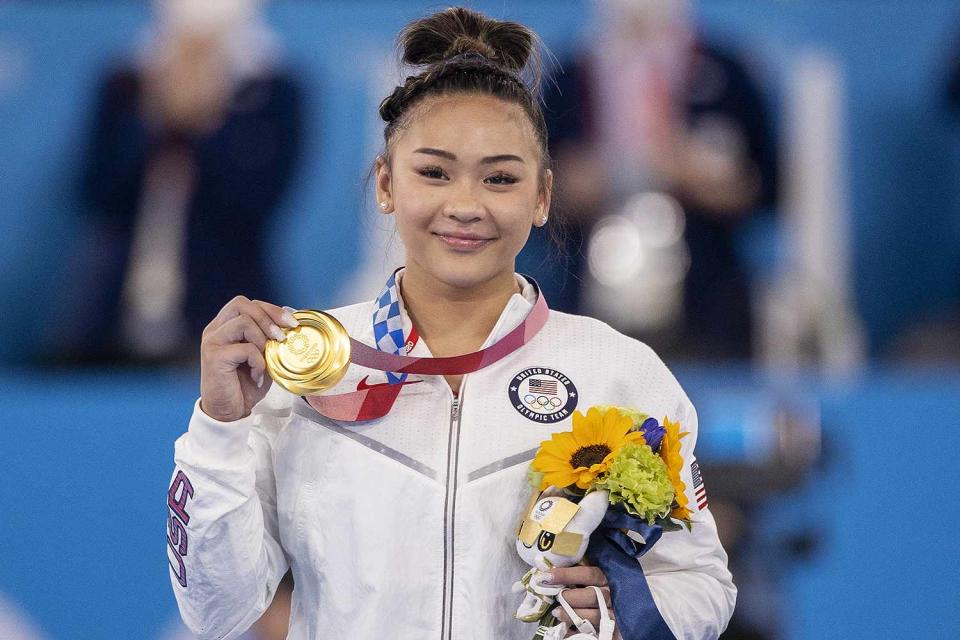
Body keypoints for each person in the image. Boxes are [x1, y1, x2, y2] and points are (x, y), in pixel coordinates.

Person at [167, 7, 734, 639]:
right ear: (386, 184)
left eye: (499, 178)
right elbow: (215, 612)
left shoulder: (618, 373)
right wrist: (218, 429)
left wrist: (621, 614)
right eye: (433, 172)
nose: (465, 205)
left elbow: (703, 585)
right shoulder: (302, 369)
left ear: (542, 196)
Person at [63, 0, 303, 364]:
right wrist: (156, 116)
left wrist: (209, 120)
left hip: (228, 306)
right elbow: (97, 192)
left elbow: (256, 202)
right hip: (111, 320)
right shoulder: (124, 84)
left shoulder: (276, 91)